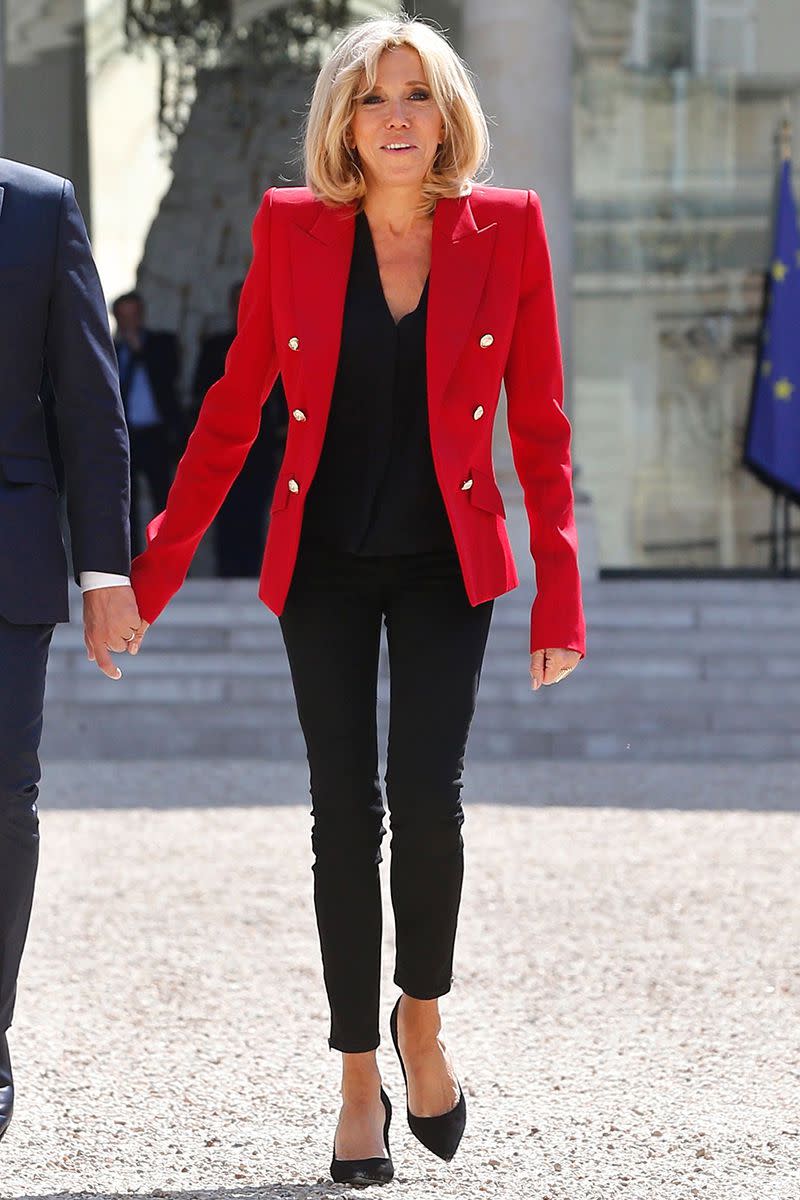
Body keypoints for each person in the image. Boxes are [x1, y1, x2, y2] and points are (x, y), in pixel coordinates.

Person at [129, 13, 586, 1185]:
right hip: (322, 564)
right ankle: (353, 1079)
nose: (395, 117)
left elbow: (537, 421)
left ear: (446, 118)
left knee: (427, 802)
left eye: (417, 96)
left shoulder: (508, 228)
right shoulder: (292, 228)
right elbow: (232, 410)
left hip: (447, 564)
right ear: (343, 117)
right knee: (345, 815)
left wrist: (558, 593)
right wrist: (154, 572)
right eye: (375, 97)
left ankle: (418, 1023)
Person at [0, 157, 140, 1143]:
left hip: (5, 567)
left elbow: (90, 404)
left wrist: (105, 574)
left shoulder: (39, 210)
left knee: (3, 800)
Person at [191, 281, 288, 576]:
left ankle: (249, 571)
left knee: (257, 505)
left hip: (263, 440)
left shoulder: (278, 338)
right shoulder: (216, 346)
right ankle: (227, 568)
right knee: (224, 506)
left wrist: (286, 429)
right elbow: (200, 390)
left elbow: (287, 391)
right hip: (224, 436)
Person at [112, 291, 185, 555]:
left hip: (156, 433)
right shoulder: (111, 351)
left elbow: (169, 375)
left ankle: (166, 557)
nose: (130, 322)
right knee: (125, 504)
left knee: (162, 500)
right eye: (124, 317)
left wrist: (139, 351)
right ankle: (129, 562)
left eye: (134, 315)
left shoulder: (161, 343)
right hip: (125, 436)